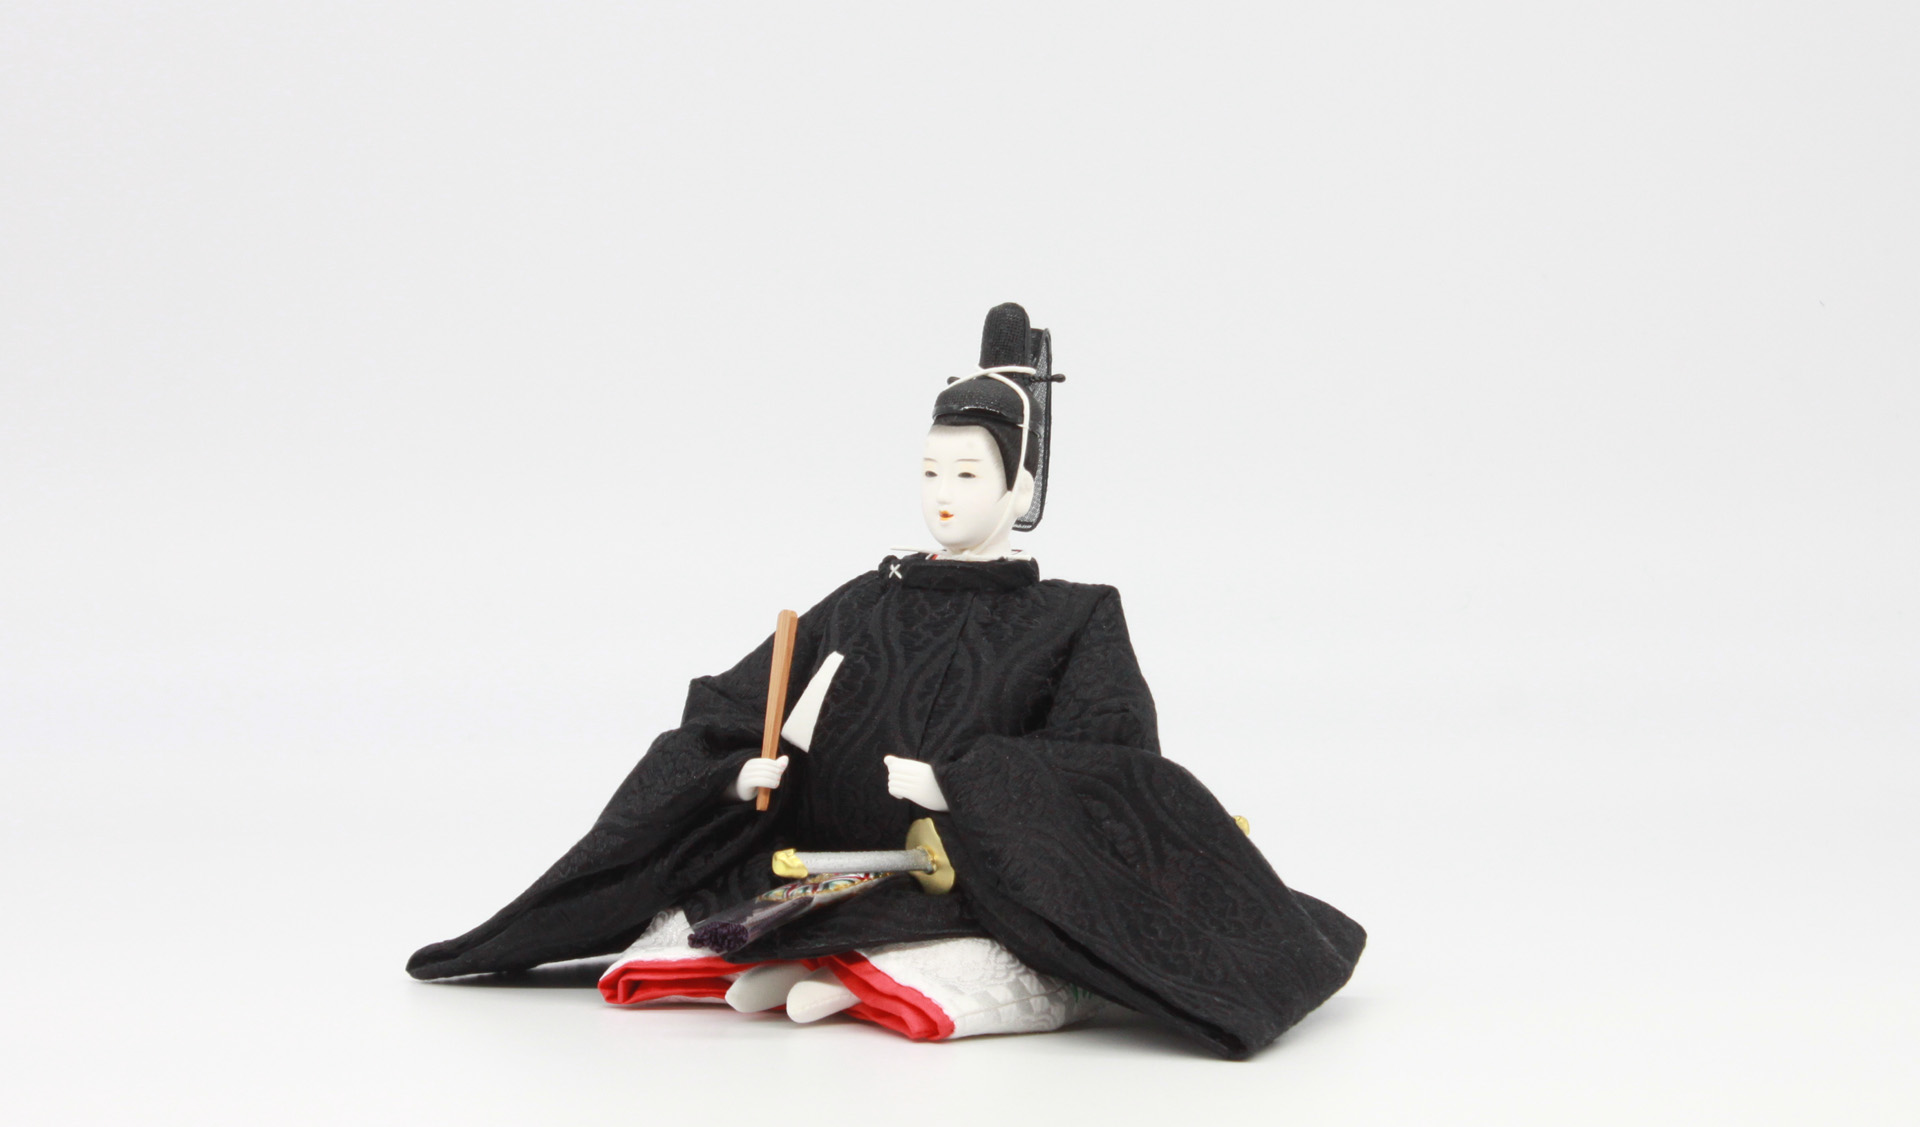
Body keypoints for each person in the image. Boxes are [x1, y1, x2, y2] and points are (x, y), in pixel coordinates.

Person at [407, 304, 1364, 1058]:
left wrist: (962, 787)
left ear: (1021, 491)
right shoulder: (864, 599)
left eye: (969, 475)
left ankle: (851, 984)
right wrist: (738, 771)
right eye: (930, 472)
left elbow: (1112, 764)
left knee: (949, 935)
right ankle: (794, 970)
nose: (944, 495)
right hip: (806, 859)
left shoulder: (1074, 617)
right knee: (730, 915)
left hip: (959, 874)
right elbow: (739, 704)